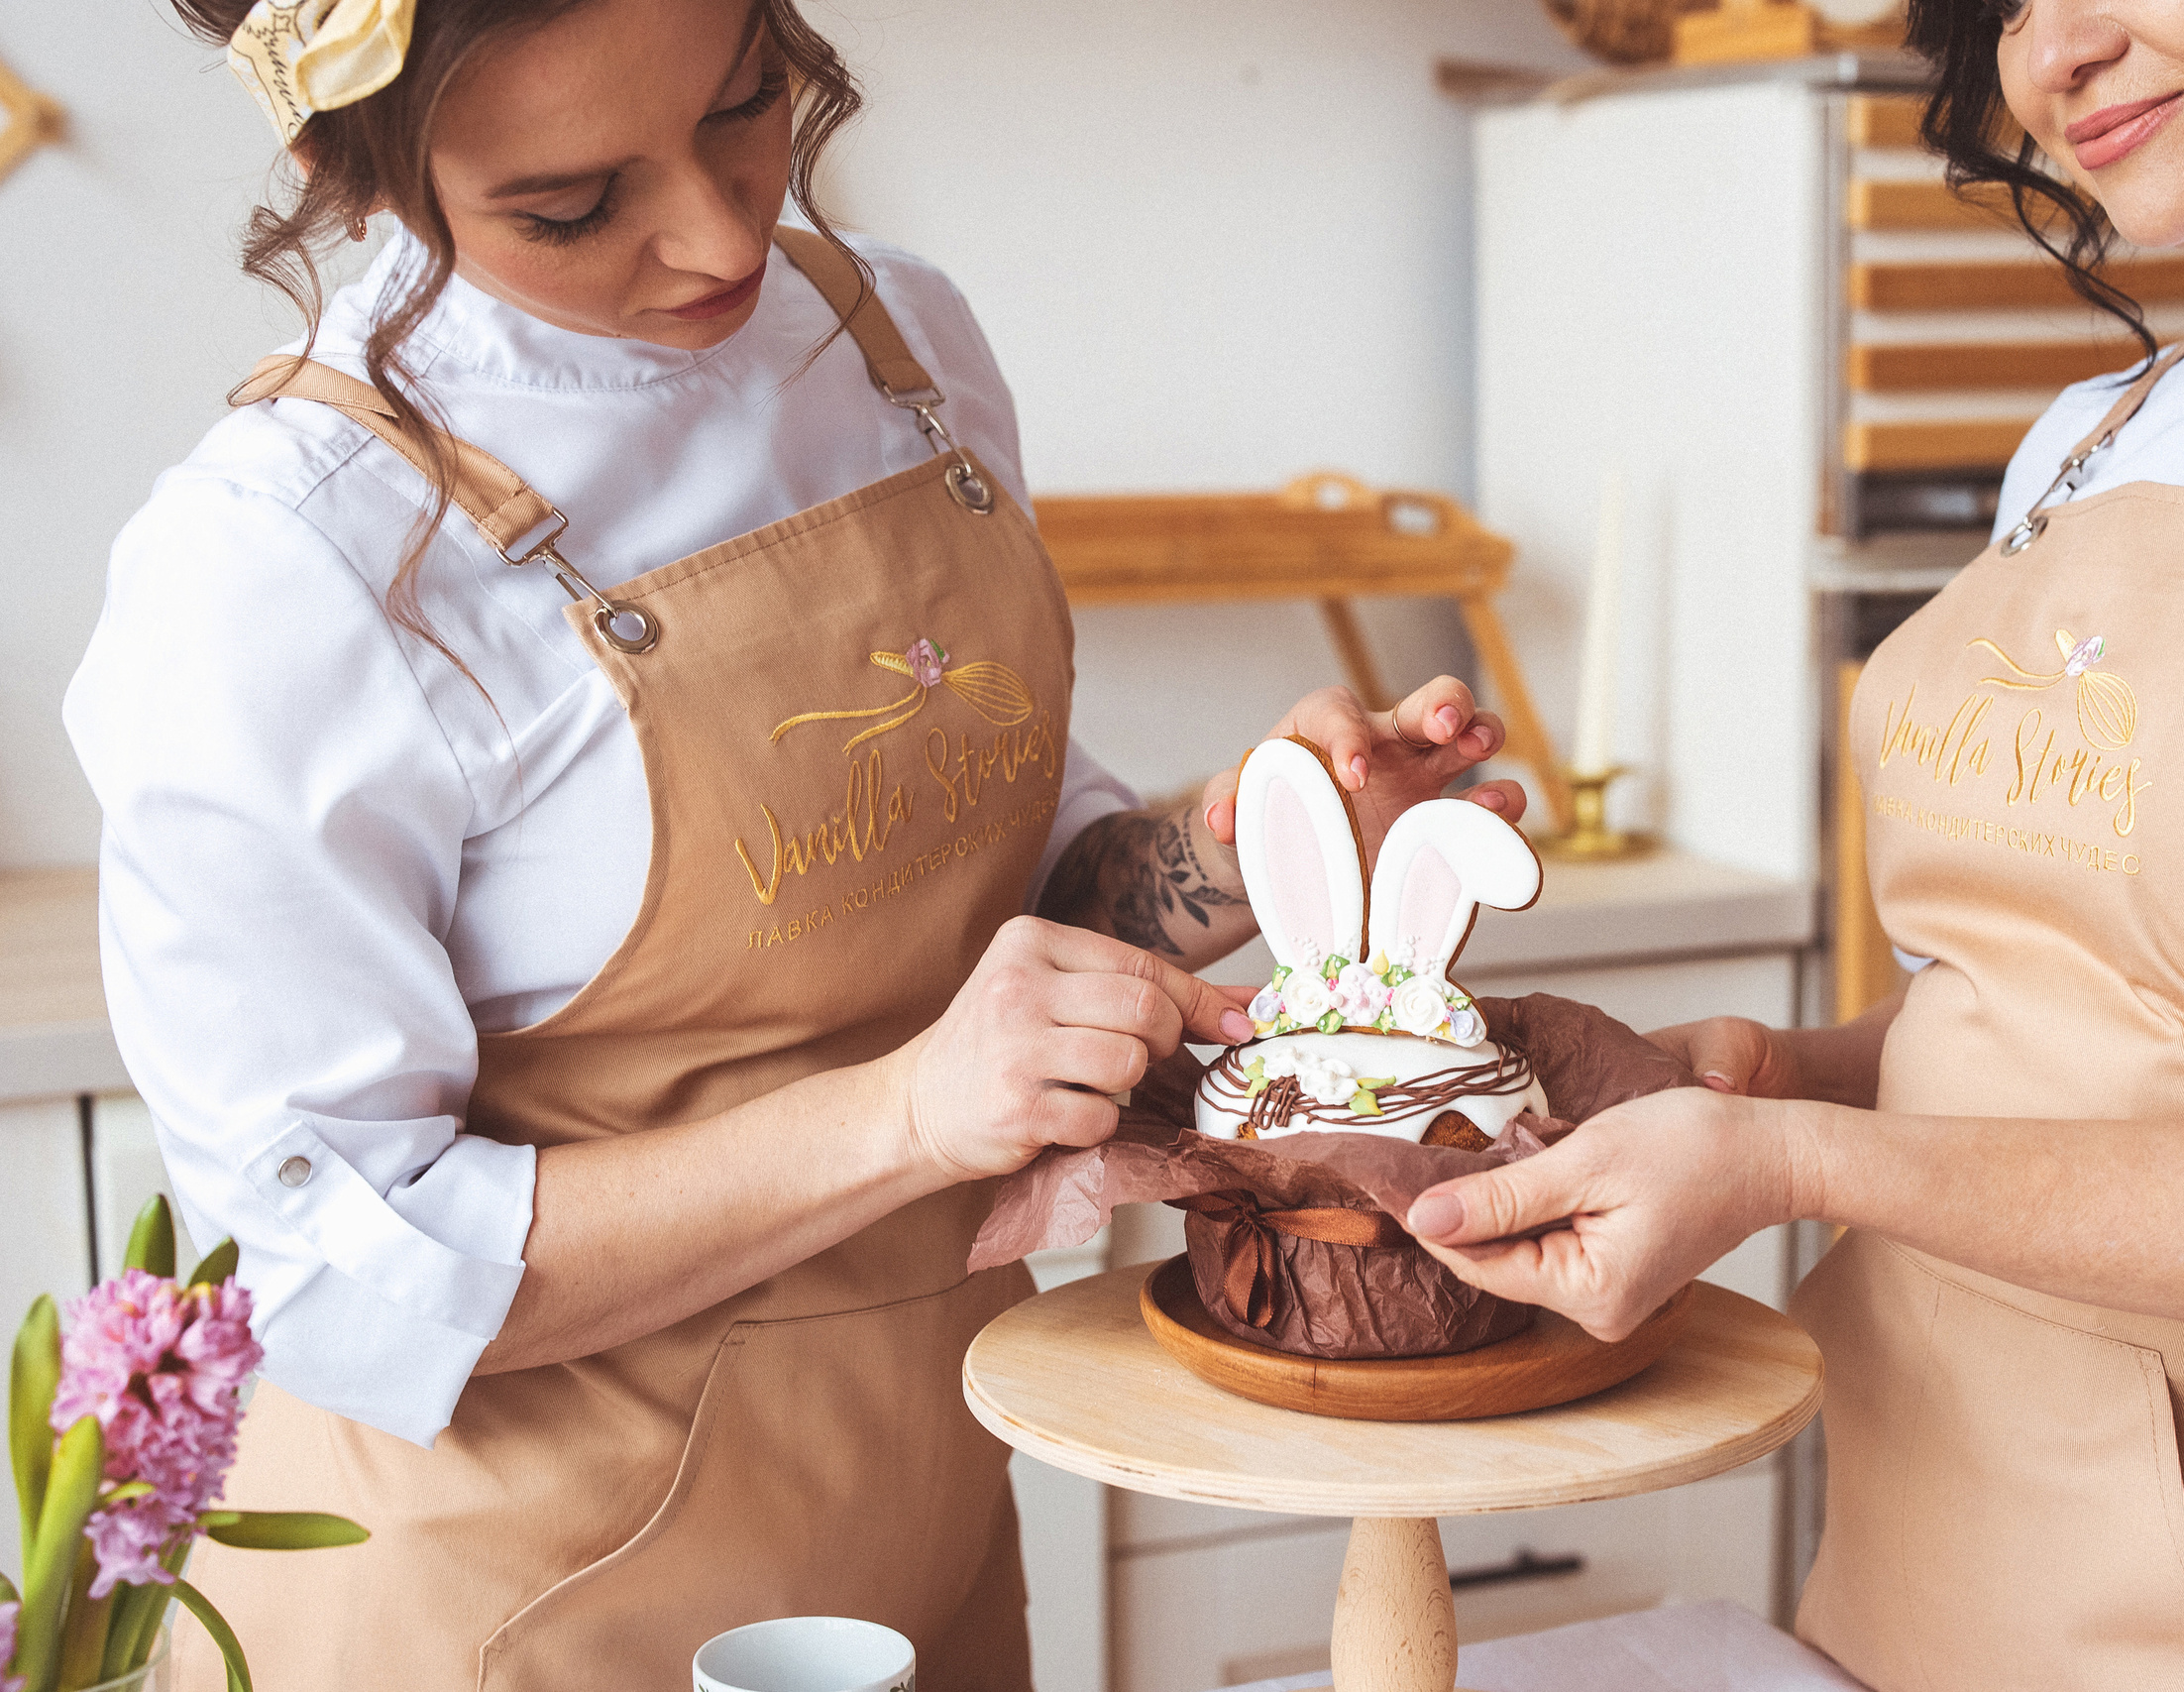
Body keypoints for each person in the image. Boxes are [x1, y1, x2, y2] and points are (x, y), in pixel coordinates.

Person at [63, 2, 1522, 1686]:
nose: (722, 230)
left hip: (919, 1526)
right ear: (350, 163)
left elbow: (1002, 896)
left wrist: (1242, 851)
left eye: (749, 105)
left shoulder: (896, 344)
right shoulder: (280, 568)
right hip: (519, 1598)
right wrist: (902, 1117)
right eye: (572, 205)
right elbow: (339, 1271)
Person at [1408, 2, 2184, 1686]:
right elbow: (2090, 1027)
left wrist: (1787, 1167)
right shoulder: (2095, 434)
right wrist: (1789, 1076)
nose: (2051, 52)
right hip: (1905, 1582)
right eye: (2004, 2)